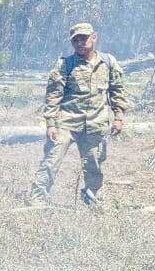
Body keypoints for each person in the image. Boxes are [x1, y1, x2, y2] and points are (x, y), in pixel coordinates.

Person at [27, 22, 129, 207]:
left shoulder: (108, 62)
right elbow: (53, 94)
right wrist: (50, 122)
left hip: (96, 123)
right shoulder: (65, 64)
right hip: (66, 122)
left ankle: (92, 199)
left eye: (84, 38)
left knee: (93, 165)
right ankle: (37, 198)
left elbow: (117, 91)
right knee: (51, 161)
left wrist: (119, 117)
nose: (80, 43)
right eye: (76, 40)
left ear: (94, 37)